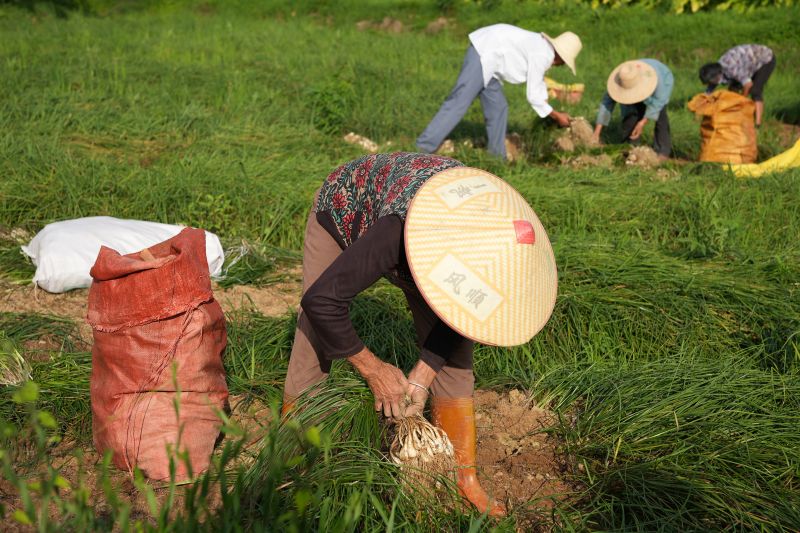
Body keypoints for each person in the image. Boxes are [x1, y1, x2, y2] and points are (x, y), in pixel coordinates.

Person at [282, 152, 558, 517]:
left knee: (456, 362)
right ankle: (292, 466)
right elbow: (321, 301)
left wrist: (421, 378)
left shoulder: (486, 235)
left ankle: (464, 480)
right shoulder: (397, 230)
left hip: (428, 235)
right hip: (345, 209)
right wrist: (374, 371)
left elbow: (462, 318)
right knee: (314, 335)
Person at [416, 24, 582, 160]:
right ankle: (423, 147)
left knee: (498, 107)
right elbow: (534, 95)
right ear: (560, 56)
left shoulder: (542, 49)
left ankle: (497, 157)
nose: (561, 66)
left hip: (492, 63)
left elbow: (538, 86)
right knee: (459, 101)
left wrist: (552, 112)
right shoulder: (542, 54)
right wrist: (556, 115)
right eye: (564, 62)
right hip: (484, 53)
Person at [591, 59, 674, 159]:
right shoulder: (622, 79)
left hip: (662, 80)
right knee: (630, 114)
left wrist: (642, 122)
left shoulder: (658, 81)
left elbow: (657, 104)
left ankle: (663, 151)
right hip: (633, 82)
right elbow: (606, 104)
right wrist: (597, 132)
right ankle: (630, 147)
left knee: (660, 116)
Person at [699, 44, 776, 127]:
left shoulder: (731, 69)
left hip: (765, 59)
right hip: (747, 63)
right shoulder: (715, 72)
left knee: (755, 90)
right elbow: (708, 93)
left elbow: (748, 84)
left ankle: (757, 124)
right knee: (732, 90)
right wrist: (699, 111)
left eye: (710, 81)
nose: (710, 83)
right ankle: (734, 116)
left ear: (717, 75)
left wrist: (742, 100)